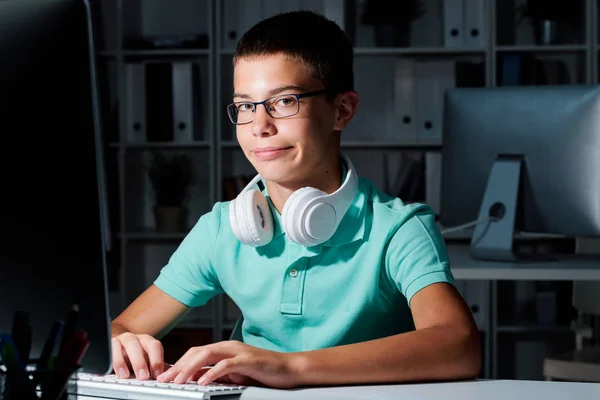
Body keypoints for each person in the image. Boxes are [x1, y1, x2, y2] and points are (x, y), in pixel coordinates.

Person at [110, 10, 481, 389]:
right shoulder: (223, 227)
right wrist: (125, 343)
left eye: (285, 102)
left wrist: (288, 367)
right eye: (245, 106)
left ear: (342, 110)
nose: (259, 126)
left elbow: (459, 345)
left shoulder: (397, 228)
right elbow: (123, 327)